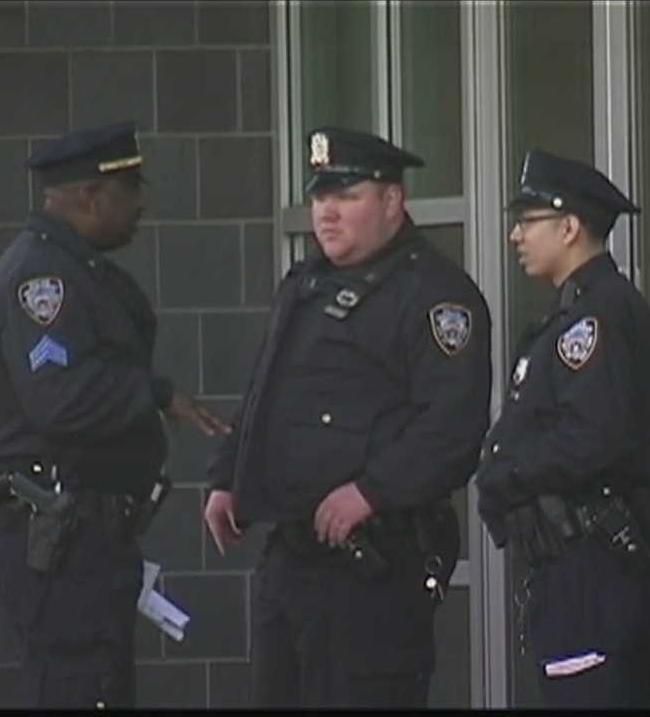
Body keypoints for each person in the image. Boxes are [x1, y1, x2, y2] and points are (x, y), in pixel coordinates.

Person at [201, 127, 493, 708]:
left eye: (346, 196)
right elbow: (266, 392)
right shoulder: (306, 284)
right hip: (291, 560)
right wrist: (227, 476)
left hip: (370, 566)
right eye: (319, 197)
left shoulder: (433, 295)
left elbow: (452, 428)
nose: (326, 213)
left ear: (392, 201)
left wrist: (372, 490)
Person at [0, 120, 228, 708]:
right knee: (80, 688)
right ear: (89, 196)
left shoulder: (76, 267)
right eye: (129, 190)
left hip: (86, 539)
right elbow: (59, 398)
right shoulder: (42, 278)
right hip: (62, 539)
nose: (140, 204)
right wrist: (154, 394)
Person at [474, 149, 650, 708]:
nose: (516, 235)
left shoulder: (596, 316)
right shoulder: (579, 311)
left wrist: (507, 474)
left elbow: (591, 436)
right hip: (576, 569)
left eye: (528, 221)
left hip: (591, 565)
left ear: (569, 227)